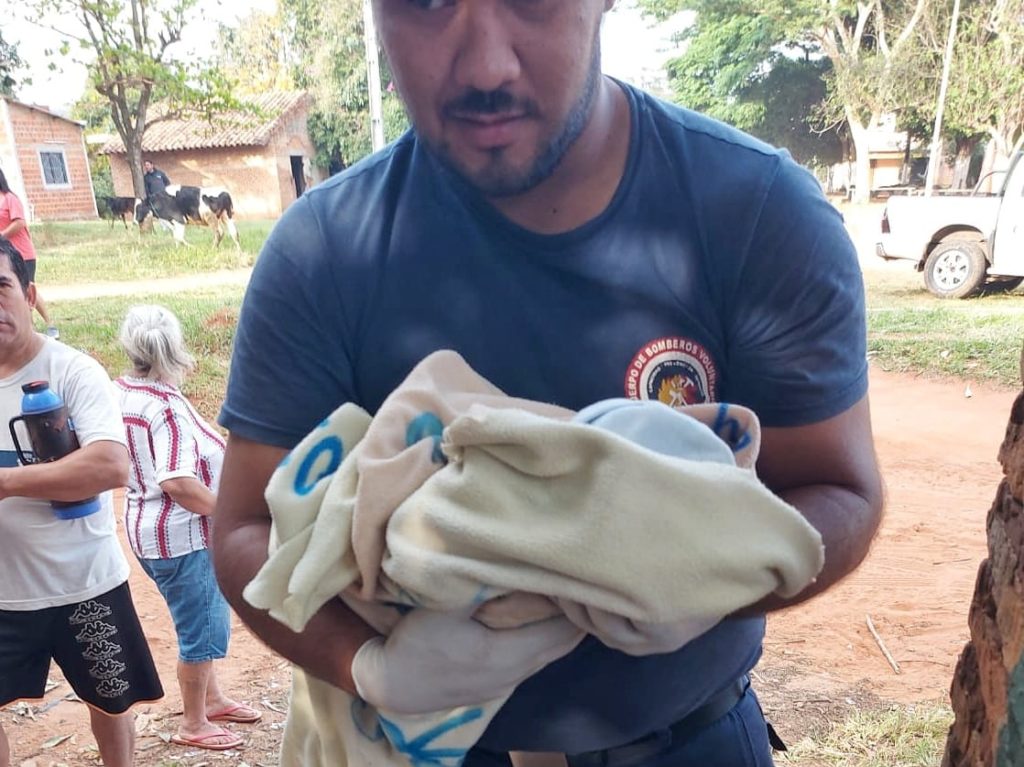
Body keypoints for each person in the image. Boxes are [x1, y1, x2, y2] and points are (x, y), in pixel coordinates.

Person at [213, 2, 885, 766]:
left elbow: (840, 489)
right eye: (426, 4)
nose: (485, 66)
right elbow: (243, 527)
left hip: (688, 743)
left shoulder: (757, 215)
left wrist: (707, 577)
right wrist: (367, 667)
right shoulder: (322, 255)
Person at [0, 236, 164, 767]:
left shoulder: (73, 371)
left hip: (85, 583)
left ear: (29, 294)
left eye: (1, 288)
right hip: (3, 594)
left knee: (110, 704)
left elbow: (110, 465)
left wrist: (5, 483)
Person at [113, 304, 261, 752]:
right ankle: (195, 722)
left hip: (145, 531)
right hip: (182, 537)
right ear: (175, 349)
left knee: (193, 621)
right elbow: (177, 480)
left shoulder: (121, 391)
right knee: (200, 630)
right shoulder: (165, 409)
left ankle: (212, 700)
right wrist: (229, 510)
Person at [0, 168, 58, 339]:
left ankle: (50, 323)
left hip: (23, 253)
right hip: (6, 256)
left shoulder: (10, 199)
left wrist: (1, 236)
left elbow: (19, 222)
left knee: (26, 286)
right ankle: (29, 328)